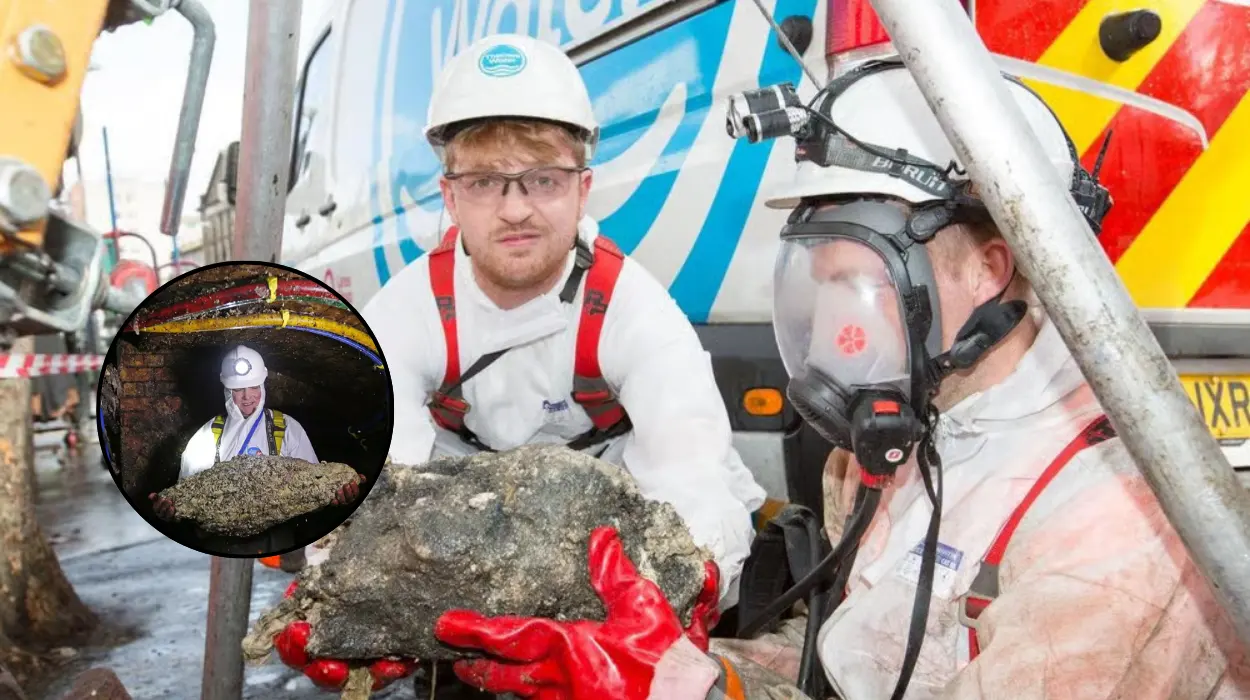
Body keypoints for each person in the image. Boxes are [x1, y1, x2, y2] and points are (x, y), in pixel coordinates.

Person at [423, 61, 1250, 698]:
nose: (831, 334)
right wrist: (664, 669)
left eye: (854, 285)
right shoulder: (900, 447)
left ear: (990, 271)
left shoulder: (1112, 529)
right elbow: (852, 663)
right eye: (816, 288)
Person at [272, 33, 767, 692]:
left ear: (582, 189)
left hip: (598, 551)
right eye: (484, 182)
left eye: (543, 179)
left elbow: (692, 476)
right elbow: (374, 482)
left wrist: (669, 603)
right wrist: (349, 586)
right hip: (462, 537)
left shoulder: (632, 311)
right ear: (450, 197)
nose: (515, 209)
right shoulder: (407, 314)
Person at [149, 345, 364, 563]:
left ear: (263, 384)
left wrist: (339, 496)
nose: (247, 397)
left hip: (276, 540)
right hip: (219, 544)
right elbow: (185, 499)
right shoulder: (207, 435)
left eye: (254, 387)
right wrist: (169, 510)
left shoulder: (287, 428)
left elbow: (316, 486)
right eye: (238, 389)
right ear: (226, 389)